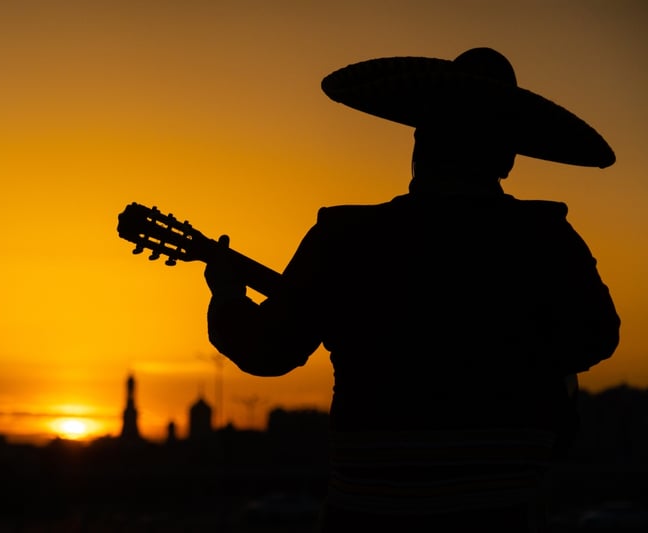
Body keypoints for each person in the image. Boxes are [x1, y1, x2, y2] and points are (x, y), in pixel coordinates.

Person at [204, 47, 620, 532]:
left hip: (369, 515)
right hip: (502, 514)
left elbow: (267, 350)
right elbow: (597, 336)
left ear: (420, 143)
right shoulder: (548, 237)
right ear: (507, 158)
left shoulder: (344, 237)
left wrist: (228, 296)